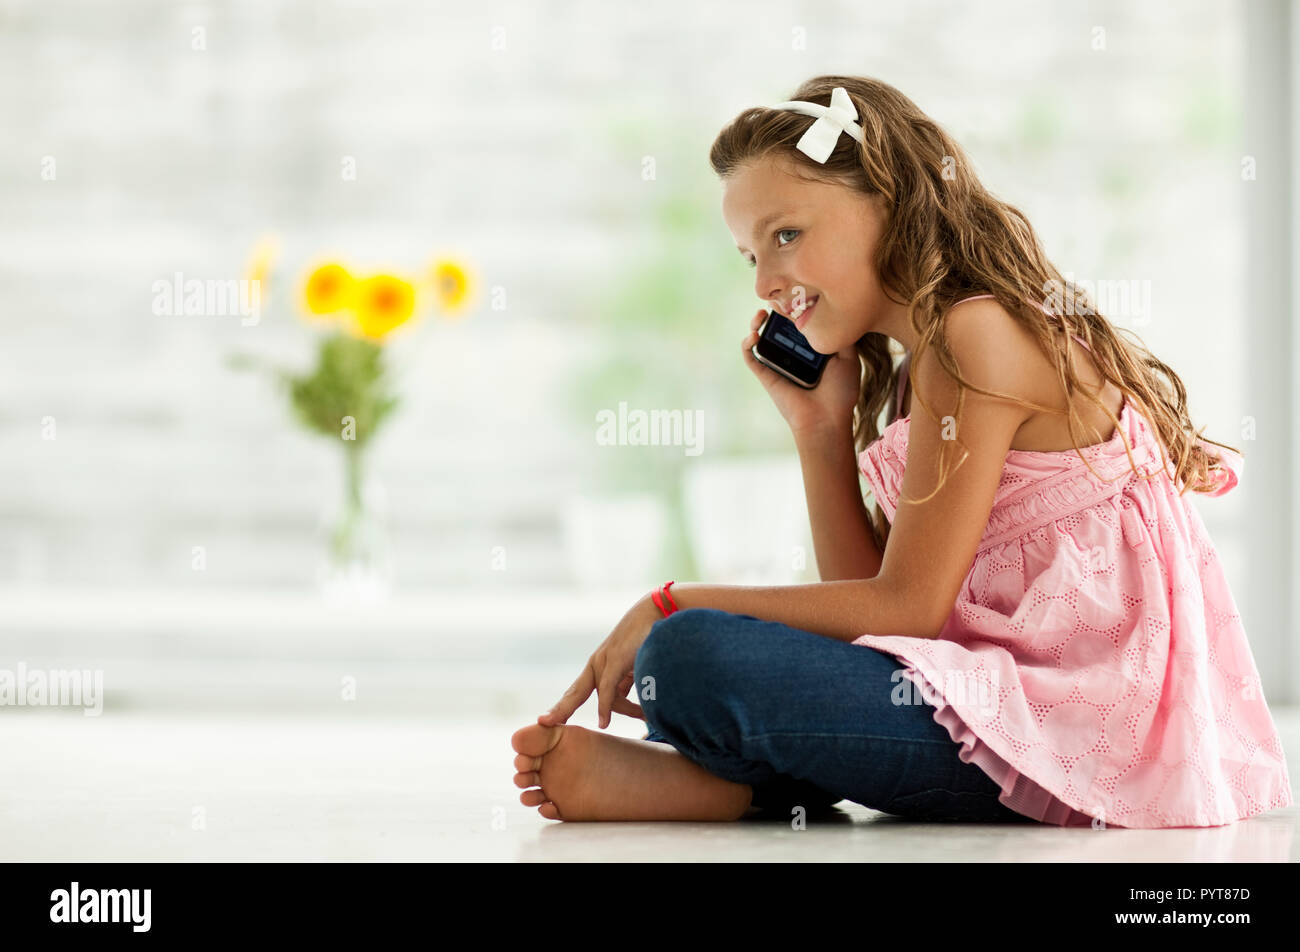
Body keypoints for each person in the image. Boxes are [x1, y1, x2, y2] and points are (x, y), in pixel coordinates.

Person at [510, 75, 1292, 828]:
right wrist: (821, 433)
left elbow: (905, 608)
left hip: (1070, 737)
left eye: (787, 235)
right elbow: (883, 623)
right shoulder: (922, 366)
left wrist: (667, 601)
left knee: (687, 650)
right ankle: (735, 784)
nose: (766, 283)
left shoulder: (975, 334)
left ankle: (734, 784)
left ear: (886, 201)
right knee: (693, 654)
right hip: (984, 703)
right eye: (751, 256)